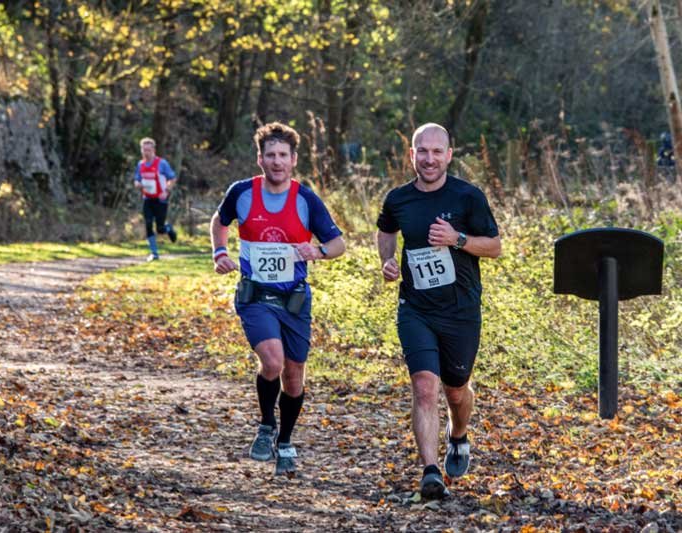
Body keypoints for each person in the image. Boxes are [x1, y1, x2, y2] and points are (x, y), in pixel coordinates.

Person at [210, 122, 345, 476]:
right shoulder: (242, 192)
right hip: (256, 296)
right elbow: (219, 221)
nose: (277, 161)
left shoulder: (306, 199)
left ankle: (285, 441)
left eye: (283, 155)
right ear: (260, 159)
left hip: (294, 300)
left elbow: (338, 244)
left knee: (294, 377)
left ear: (294, 159)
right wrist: (220, 252)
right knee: (272, 361)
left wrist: (318, 252)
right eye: (270, 155)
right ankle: (266, 425)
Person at [375, 123, 501, 499]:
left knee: (456, 391)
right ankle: (431, 472)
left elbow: (494, 247)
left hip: (460, 311)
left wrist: (457, 239)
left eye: (436, 152)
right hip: (416, 308)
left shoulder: (468, 197)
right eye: (422, 151)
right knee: (424, 387)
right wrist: (387, 260)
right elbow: (386, 230)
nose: (429, 159)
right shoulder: (398, 199)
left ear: (448, 155)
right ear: (411, 155)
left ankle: (458, 434)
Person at [134, 137, 177, 261]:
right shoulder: (140, 164)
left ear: (153, 150)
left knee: (160, 228)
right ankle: (154, 253)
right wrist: (138, 184)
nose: (146, 153)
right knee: (148, 224)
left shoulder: (162, 163)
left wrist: (166, 191)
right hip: (147, 198)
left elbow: (172, 178)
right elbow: (137, 179)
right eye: (144, 150)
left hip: (160, 199)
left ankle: (168, 229)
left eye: (148, 150)